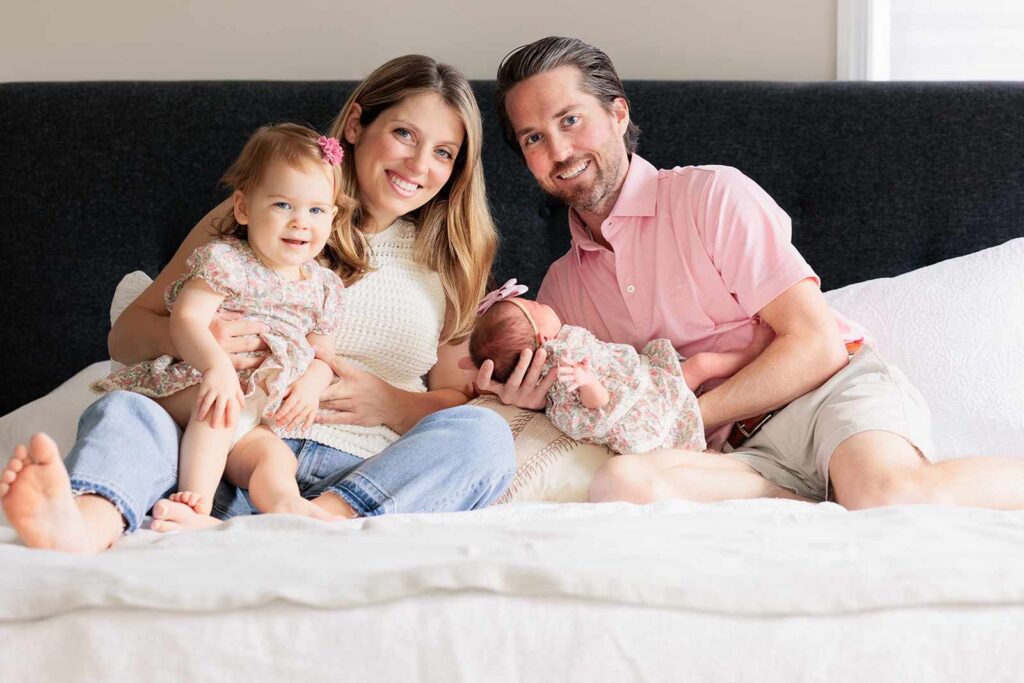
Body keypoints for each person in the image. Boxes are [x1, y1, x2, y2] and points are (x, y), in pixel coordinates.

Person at [477, 36, 1024, 510]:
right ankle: (818, 504)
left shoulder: (710, 195)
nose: (559, 149)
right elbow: (596, 401)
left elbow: (816, 346)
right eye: (533, 138)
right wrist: (531, 400)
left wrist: (682, 416)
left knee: (885, 494)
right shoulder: (560, 292)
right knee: (624, 482)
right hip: (737, 455)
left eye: (570, 120)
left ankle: (851, 491)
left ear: (618, 115)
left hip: (824, 394)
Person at [0, 55, 515, 553]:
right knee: (127, 409)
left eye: (444, 153)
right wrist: (203, 341)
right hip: (215, 453)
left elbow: (457, 397)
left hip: (359, 471)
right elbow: (127, 336)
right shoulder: (263, 211)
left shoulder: (454, 257)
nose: (419, 165)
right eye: (405, 134)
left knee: (486, 435)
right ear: (357, 123)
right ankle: (84, 523)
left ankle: (321, 520)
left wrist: (396, 403)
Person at [92, 123, 350, 520]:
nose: (301, 222)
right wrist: (215, 367)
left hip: (256, 416)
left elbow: (323, 356)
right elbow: (187, 318)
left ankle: (285, 506)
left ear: (332, 217)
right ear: (244, 208)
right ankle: (195, 503)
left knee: (276, 457)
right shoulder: (227, 261)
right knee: (218, 409)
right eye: (283, 205)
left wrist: (310, 387)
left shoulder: (324, 286)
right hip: (195, 384)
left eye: (316, 210)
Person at [469, 279, 772, 455]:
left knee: (700, 367)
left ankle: (751, 355)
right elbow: (597, 404)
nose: (541, 302)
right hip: (641, 405)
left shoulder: (564, 345)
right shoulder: (563, 365)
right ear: (542, 337)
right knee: (702, 366)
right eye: (535, 307)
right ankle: (753, 352)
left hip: (647, 385)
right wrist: (586, 380)